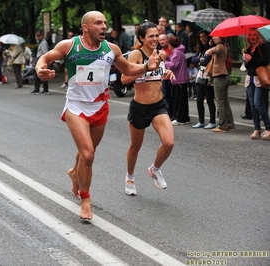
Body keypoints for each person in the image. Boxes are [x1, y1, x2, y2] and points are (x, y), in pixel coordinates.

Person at [35, 11, 161, 220]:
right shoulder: (70, 46)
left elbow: (128, 69)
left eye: (105, 22)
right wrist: (40, 69)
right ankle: (85, 200)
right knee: (88, 154)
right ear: (86, 27)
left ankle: (75, 172)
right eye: (98, 23)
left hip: (100, 106)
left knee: (88, 151)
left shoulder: (111, 49)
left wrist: (147, 66)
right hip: (76, 107)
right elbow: (45, 58)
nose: (103, 26)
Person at [121, 21, 174, 197]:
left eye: (156, 35)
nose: (154, 39)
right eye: (150, 36)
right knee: (135, 147)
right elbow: (124, 79)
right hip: (140, 107)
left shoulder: (161, 55)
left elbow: (162, 74)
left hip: (158, 105)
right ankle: (129, 177)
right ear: (142, 38)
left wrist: (167, 73)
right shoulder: (136, 54)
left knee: (169, 143)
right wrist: (146, 68)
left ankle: (155, 168)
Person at [242, 28, 270, 140]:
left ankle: (268, 128)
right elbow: (248, 67)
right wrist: (246, 61)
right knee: (252, 105)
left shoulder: (262, 47)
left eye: (254, 35)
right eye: (250, 35)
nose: (252, 37)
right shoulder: (248, 48)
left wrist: (251, 58)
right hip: (250, 78)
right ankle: (257, 129)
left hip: (260, 78)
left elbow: (266, 61)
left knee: (258, 103)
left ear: (258, 36)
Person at [205, 36, 234, 132]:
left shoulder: (220, 46)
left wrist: (209, 50)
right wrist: (211, 42)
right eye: (213, 36)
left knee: (219, 101)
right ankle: (229, 124)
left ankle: (222, 125)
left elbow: (216, 49)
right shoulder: (225, 46)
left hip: (219, 75)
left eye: (216, 36)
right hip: (224, 75)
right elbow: (211, 44)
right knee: (225, 101)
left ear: (221, 37)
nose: (214, 38)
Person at [191, 30, 217, 129]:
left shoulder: (211, 49)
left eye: (204, 36)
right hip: (200, 76)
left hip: (208, 76)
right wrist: (200, 59)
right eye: (201, 37)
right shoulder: (201, 49)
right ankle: (201, 121)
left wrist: (200, 59)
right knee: (199, 100)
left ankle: (212, 121)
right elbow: (193, 59)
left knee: (210, 100)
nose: (203, 39)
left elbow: (205, 62)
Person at [165, 37, 190, 125]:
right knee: (182, 100)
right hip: (181, 79)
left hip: (179, 79)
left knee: (179, 100)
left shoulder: (176, 52)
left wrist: (164, 61)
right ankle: (185, 117)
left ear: (171, 44)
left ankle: (180, 118)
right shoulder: (179, 52)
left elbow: (172, 65)